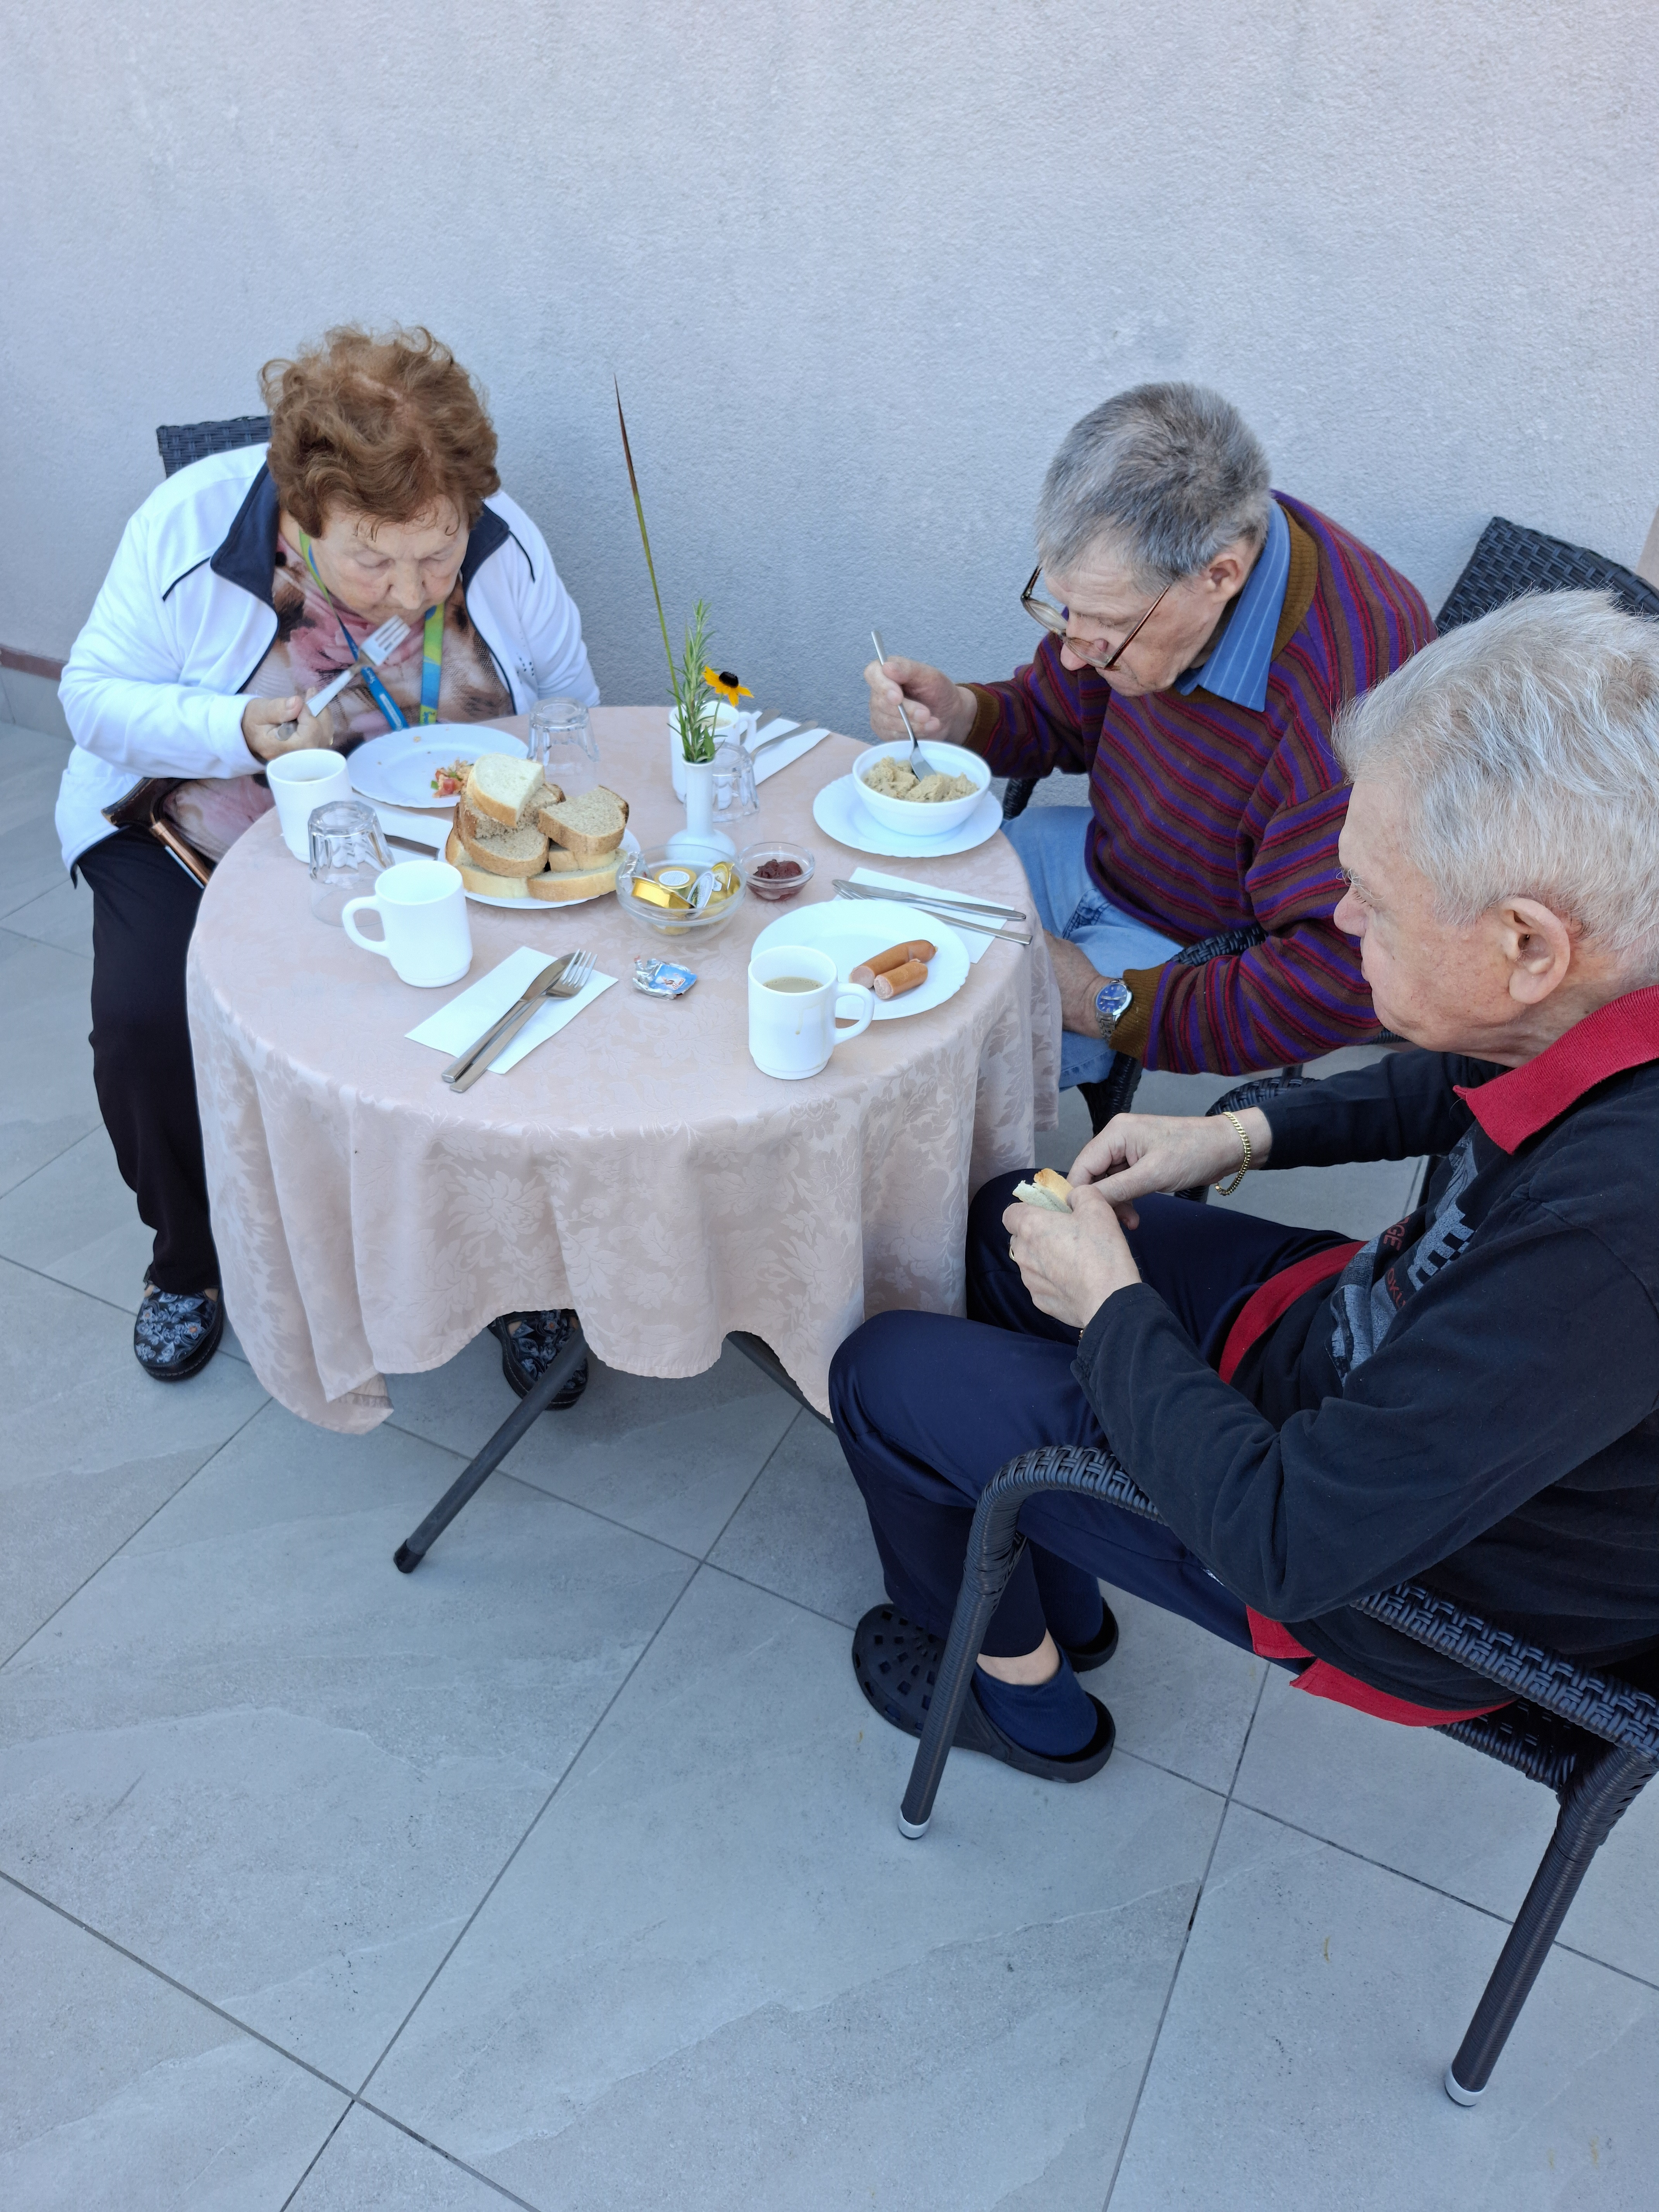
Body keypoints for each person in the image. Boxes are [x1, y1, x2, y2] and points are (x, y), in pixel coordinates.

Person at [833, 592, 1659, 1781]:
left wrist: (1113, 1306)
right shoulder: (1603, 999)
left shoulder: (1608, 1250)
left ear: (1527, 946)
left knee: (879, 1374)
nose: (1337, 913)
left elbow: (1289, 1538)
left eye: (1373, 896)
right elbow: (1470, 1079)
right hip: (1358, 1351)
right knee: (1000, 1219)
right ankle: (1052, 1588)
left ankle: (1020, 1705)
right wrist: (1242, 1138)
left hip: (1375, 1578)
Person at [57, 325, 599, 1391]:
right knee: (145, 1020)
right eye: (373, 556)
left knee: (513, 1002)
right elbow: (93, 698)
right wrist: (241, 730)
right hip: (188, 820)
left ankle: (517, 1276)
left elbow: (572, 701)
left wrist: (543, 801)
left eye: (437, 551)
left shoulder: (508, 544)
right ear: (303, 512)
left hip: (429, 837)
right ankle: (189, 1263)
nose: (411, 590)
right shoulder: (192, 525)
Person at [864, 383, 1435, 1091]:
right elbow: (1057, 711)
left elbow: (1340, 981)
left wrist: (1097, 999)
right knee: (867, 930)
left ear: (1221, 574)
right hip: (1087, 851)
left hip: (1192, 949)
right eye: (1065, 610)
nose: (1075, 653)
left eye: (1102, 625)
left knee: (937, 1070)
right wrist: (963, 718)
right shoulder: (1157, 569)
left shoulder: (1356, 687)